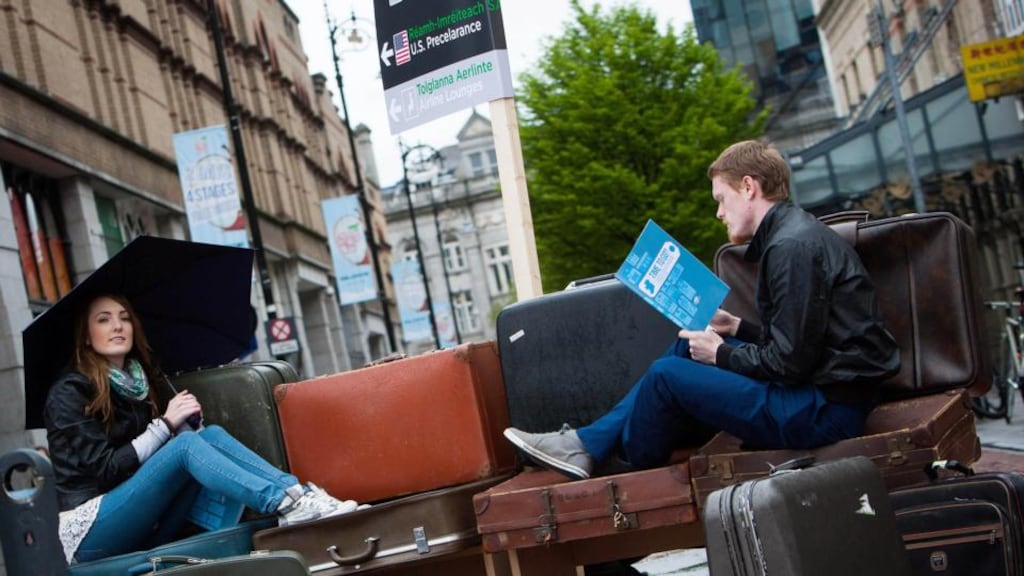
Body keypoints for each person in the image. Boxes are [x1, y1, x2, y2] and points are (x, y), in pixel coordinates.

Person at [504, 140, 901, 479]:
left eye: (721, 200)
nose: (718, 213)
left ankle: (625, 470)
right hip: (820, 393)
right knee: (683, 348)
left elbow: (793, 363)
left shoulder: (791, 248)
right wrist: (737, 328)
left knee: (667, 375)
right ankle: (587, 445)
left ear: (748, 187)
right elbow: (807, 341)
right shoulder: (794, 234)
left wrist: (721, 354)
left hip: (825, 410)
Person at [45, 293, 359, 564]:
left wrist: (186, 425)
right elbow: (106, 470)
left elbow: (152, 465)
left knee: (207, 437)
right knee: (183, 447)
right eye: (103, 319)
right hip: (92, 531)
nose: (117, 326)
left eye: (124, 318)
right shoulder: (69, 392)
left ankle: (296, 495)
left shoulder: (137, 385)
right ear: (86, 335)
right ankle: (282, 503)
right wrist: (165, 425)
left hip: (142, 517)